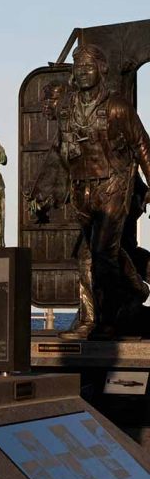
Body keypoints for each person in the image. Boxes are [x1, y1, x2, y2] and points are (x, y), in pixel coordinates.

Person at [47, 44, 150, 339]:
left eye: (88, 66)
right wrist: (51, 188)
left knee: (101, 254)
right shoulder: (66, 109)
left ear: (101, 70)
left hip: (112, 187)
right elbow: (60, 150)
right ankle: (127, 295)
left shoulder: (117, 107)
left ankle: (104, 320)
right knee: (89, 256)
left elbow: (142, 145)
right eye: (78, 67)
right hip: (82, 192)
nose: (82, 72)